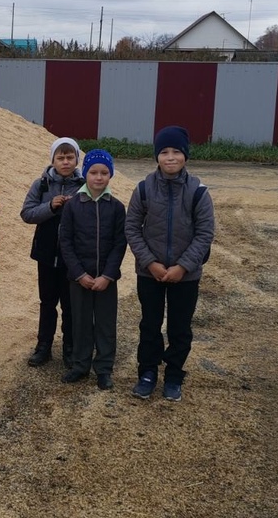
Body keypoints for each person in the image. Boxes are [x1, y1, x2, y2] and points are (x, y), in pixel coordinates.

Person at [125, 126, 215, 402]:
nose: (171, 157)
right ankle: (147, 372)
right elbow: (132, 228)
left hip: (185, 275)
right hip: (149, 273)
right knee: (149, 325)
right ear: (157, 156)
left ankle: (174, 375)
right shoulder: (143, 189)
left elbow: (205, 233)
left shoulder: (198, 192)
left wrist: (183, 266)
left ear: (186, 155)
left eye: (176, 151)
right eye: (164, 152)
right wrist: (150, 263)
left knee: (180, 327)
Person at [58, 149, 127, 390]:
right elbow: (65, 242)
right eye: (93, 172)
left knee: (106, 324)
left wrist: (108, 275)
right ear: (85, 174)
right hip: (80, 278)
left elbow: (120, 244)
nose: (98, 177)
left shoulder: (116, 207)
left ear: (110, 175)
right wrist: (79, 274)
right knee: (81, 322)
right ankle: (80, 365)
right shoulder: (73, 206)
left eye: (104, 173)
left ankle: (104, 368)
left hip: (106, 279)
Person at [20, 137, 85, 368]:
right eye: (60, 158)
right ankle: (43, 347)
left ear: (77, 159)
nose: (65, 162)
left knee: (70, 305)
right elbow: (27, 214)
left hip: (73, 257)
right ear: (53, 160)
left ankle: (70, 348)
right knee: (47, 303)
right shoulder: (42, 185)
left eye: (70, 157)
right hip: (46, 254)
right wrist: (50, 206)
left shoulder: (84, 185)